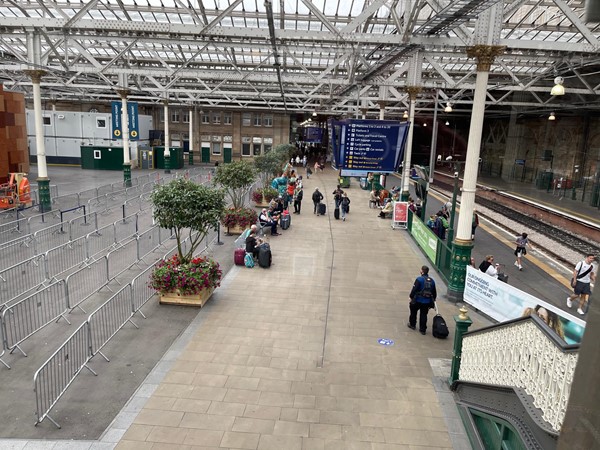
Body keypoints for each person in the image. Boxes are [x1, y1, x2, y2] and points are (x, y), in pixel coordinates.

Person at [408, 265, 437, 335]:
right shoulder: (432, 281)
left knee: (413, 312)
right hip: (426, 301)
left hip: (418, 300)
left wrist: (411, 297)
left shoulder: (419, 279)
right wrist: (433, 300)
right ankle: (423, 329)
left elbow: (414, 290)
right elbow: (434, 293)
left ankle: (412, 324)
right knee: (424, 314)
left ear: (422, 271)